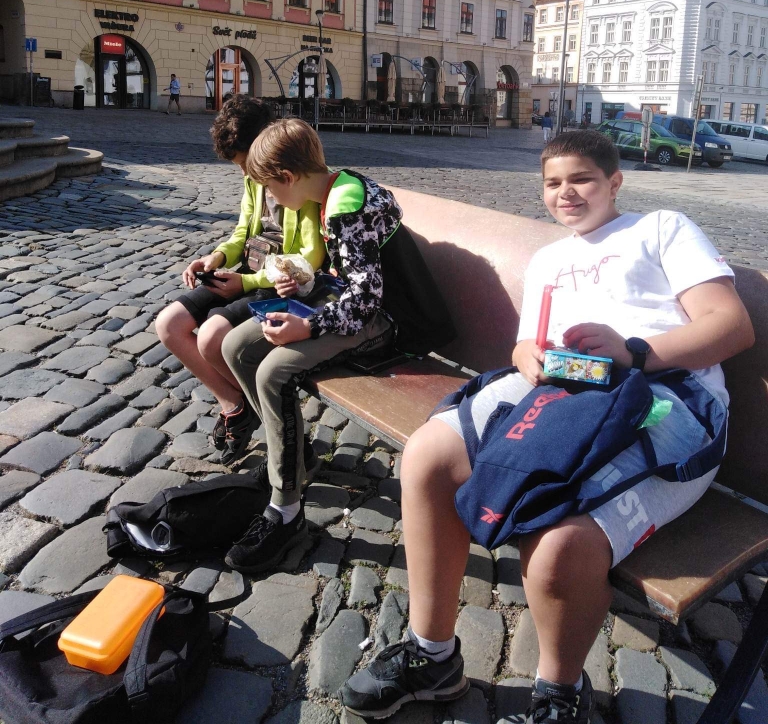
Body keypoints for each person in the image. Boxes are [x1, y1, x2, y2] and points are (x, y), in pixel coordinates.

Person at [341, 129, 754, 723]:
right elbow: (525, 344)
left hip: (664, 393)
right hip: (561, 387)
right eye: (553, 182)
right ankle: (432, 654)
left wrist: (633, 351)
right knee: (428, 456)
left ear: (615, 182)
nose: (566, 192)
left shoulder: (662, 228)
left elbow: (731, 325)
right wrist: (525, 356)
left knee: (560, 543)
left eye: (582, 179)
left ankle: (559, 694)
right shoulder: (550, 260)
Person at [220, 117, 454, 574]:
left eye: (270, 189)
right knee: (236, 347)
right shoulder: (330, 189)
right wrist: (305, 285)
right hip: (345, 304)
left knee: (273, 372)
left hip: (388, 323)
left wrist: (307, 328)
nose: (272, 199)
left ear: (288, 177)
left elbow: (365, 303)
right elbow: (347, 276)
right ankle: (295, 457)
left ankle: (286, 511)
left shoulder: (348, 208)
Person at [155, 98, 325, 465]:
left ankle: (285, 436)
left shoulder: (296, 180)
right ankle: (236, 405)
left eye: (246, 163)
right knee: (169, 324)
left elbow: (309, 258)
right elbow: (242, 232)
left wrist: (245, 284)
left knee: (211, 336)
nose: (245, 173)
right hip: (247, 272)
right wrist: (216, 258)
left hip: (275, 283)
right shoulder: (253, 180)